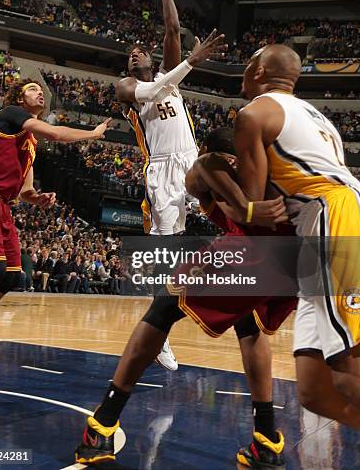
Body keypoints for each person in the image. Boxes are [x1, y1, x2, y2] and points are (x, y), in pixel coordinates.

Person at [73, 127, 294, 466]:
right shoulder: (274, 166)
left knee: (163, 307)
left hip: (257, 248)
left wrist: (244, 205)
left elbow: (202, 168)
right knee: (250, 326)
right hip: (299, 256)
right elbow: (205, 189)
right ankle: (266, 440)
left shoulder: (233, 156)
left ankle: (101, 425)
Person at [233, 44, 360, 434]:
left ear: (259, 72)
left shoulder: (253, 113)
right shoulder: (318, 118)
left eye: (247, 66)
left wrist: (214, 181)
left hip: (335, 219)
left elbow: (257, 205)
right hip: (332, 220)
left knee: (352, 376)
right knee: (316, 391)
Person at [116, 0, 227, 370]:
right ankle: (158, 331)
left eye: (140, 51)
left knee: (234, 211)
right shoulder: (128, 87)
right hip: (161, 171)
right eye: (130, 53)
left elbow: (172, 27)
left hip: (191, 162)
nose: (135, 54)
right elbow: (150, 90)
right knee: (166, 251)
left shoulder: (170, 76)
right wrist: (189, 63)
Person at [0, 80, 112, 383]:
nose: (39, 92)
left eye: (40, 90)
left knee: (11, 276)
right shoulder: (11, 114)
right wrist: (94, 133)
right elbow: (57, 133)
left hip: (2, 203)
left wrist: (38, 199)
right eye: (32, 88)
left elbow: (25, 191)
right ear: (20, 97)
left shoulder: (30, 144)